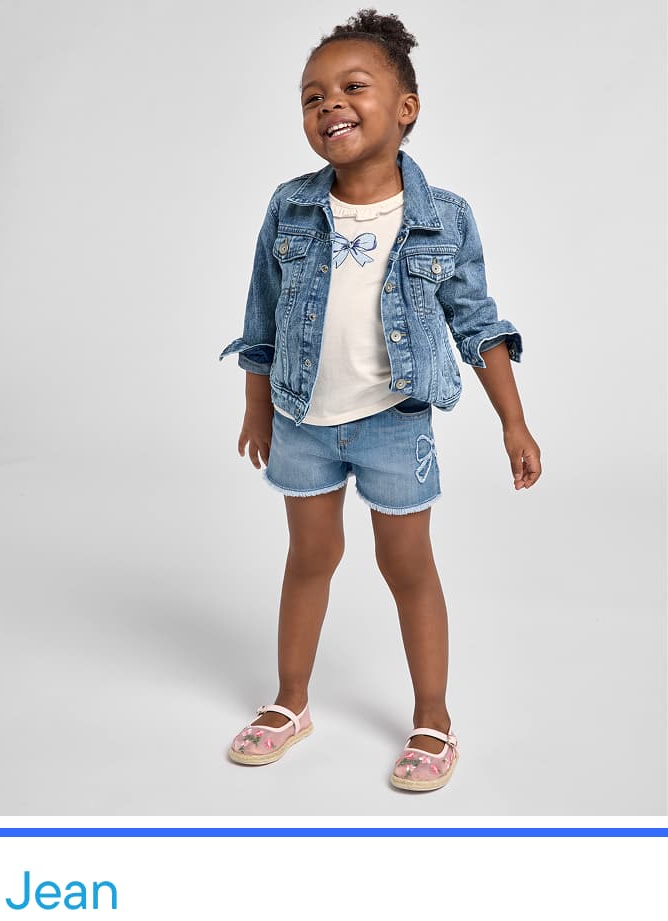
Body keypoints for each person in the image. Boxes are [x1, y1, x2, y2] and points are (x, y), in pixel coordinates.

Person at [218, 8, 542, 791]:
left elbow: (478, 322)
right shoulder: (291, 208)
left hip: (396, 426)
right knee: (310, 557)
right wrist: (257, 407)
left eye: (352, 87)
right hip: (301, 420)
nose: (329, 104)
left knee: (407, 565)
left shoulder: (444, 217)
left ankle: (434, 717)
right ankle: (291, 701)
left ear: (406, 108)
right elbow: (260, 317)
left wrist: (515, 421)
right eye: (310, 96)